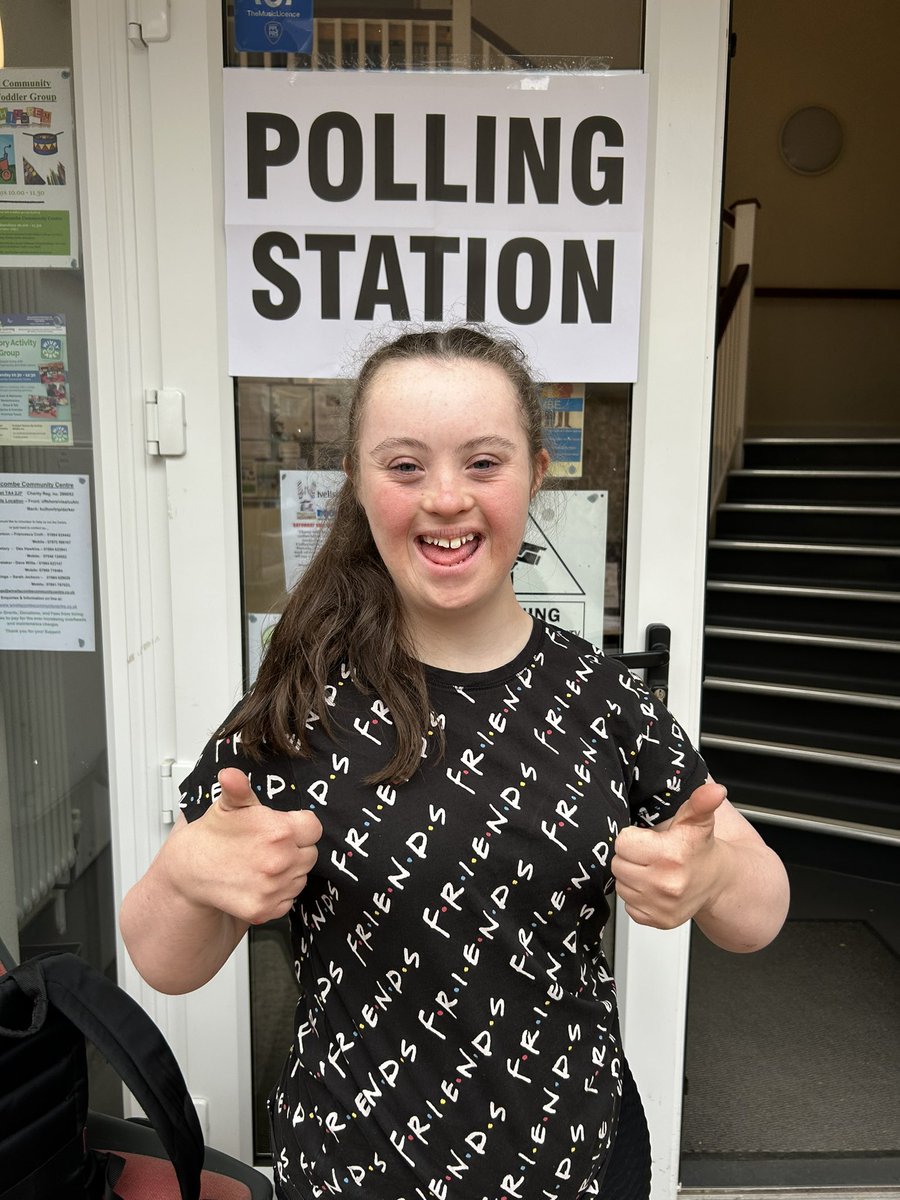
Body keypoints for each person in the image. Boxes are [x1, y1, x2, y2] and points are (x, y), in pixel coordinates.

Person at [120, 325, 789, 1200]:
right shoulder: (303, 697)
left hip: (580, 1165)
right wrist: (188, 874)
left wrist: (711, 877)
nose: (445, 498)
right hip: (350, 1170)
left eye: (483, 462)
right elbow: (163, 960)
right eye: (404, 466)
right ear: (360, 487)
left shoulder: (604, 699)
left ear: (535, 476)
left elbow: (762, 910)